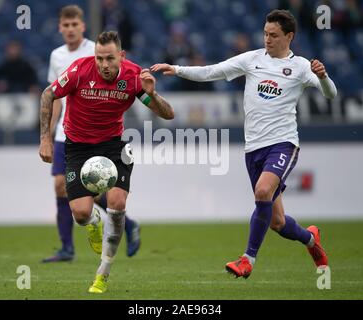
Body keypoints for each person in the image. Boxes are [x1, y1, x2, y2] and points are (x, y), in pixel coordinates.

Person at [151, 9, 336, 279]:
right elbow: (212, 71)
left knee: (262, 192)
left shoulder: (301, 67)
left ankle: (247, 259)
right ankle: (310, 239)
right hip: (254, 149)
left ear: (289, 36)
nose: (267, 39)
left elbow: (330, 94)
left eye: (273, 35)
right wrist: (177, 69)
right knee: (277, 222)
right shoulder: (252, 60)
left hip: (283, 144)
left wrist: (322, 77)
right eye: (265, 34)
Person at [39, 31, 174, 293]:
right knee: (79, 213)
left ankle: (103, 273)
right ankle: (92, 223)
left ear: (121, 56)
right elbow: (48, 94)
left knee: (117, 203)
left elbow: (168, 115)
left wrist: (152, 95)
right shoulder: (79, 71)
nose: (104, 65)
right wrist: (45, 138)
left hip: (113, 146)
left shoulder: (133, 77)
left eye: (109, 58)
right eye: (99, 58)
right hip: (77, 147)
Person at [42, 5, 142, 264]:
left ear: (83, 26)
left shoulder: (94, 53)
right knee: (60, 186)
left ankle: (124, 223)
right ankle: (67, 246)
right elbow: (54, 95)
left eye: (75, 24)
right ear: (60, 28)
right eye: (66, 25)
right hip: (68, 132)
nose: (70, 29)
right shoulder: (56, 56)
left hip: (99, 136)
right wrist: (49, 133)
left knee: (92, 188)